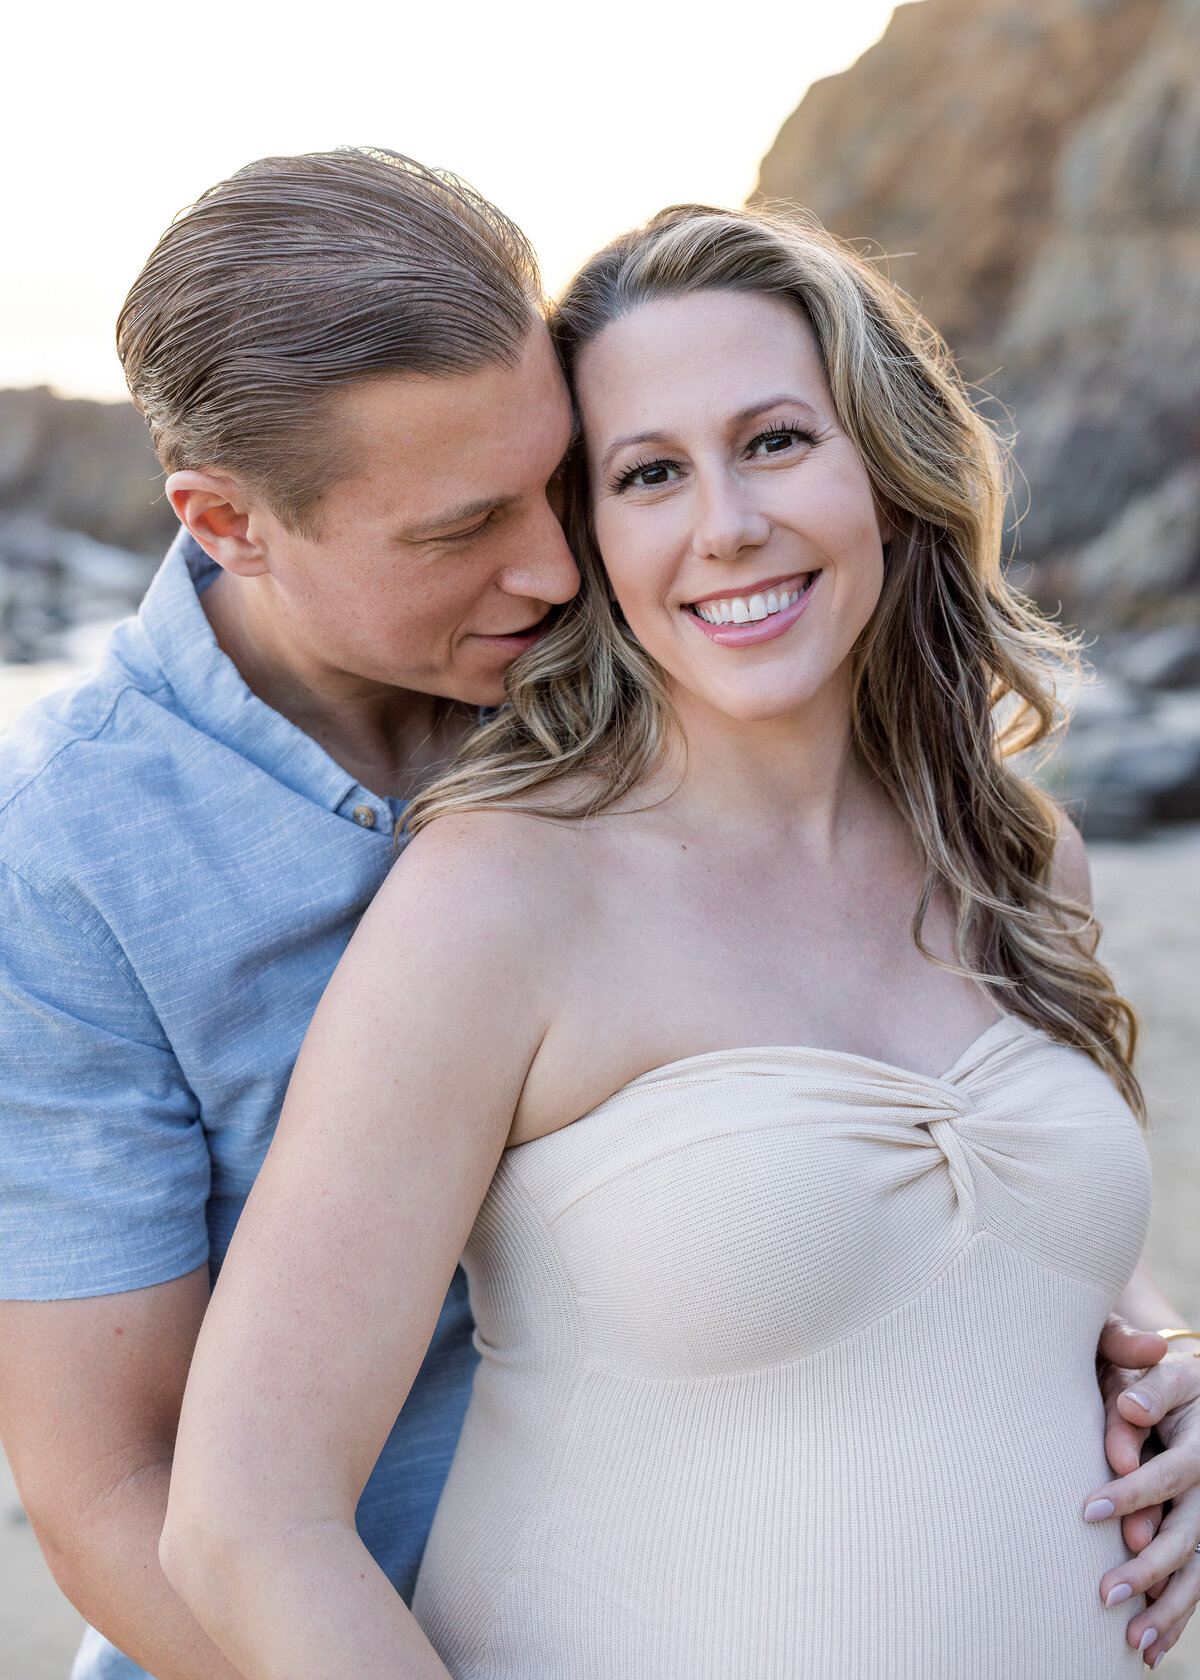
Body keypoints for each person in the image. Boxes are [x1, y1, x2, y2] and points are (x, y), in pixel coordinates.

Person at [159, 204, 1200, 1677]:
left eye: (775, 440)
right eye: (649, 475)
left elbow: (1001, 1266)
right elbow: (244, 1514)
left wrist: (1173, 1372)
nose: (727, 524)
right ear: (590, 538)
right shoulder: (504, 895)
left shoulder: (1021, 854)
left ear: (887, 473)